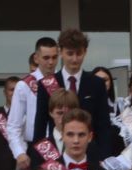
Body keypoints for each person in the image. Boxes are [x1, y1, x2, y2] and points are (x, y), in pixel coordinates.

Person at [34, 29, 113, 158]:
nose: (74, 59)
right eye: (70, 53)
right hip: (56, 155)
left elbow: (103, 125)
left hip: (90, 154)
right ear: (60, 52)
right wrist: (38, 159)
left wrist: (104, 158)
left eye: (79, 53)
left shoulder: (97, 84)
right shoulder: (46, 84)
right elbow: (40, 125)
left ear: (85, 52)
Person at [8, 37, 59, 170]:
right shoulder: (24, 85)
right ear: (36, 58)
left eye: (54, 57)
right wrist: (19, 153)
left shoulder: (62, 81)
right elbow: (13, 125)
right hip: (36, 148)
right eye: (46, 58)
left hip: (62, 146)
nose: (51, 62)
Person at [26, 88, 79, 169]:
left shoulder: (88, 145)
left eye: (69, 113)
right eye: (60, 113)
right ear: (51, 113)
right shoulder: (39, 149)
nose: (64, 118)